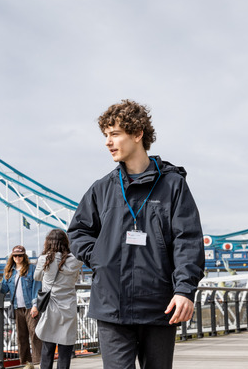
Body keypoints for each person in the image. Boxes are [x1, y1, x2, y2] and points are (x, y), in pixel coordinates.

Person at [67, 100, 205, 369]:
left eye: (115, 134)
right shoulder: (101, 189)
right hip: (111, 306)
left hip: (160, 306)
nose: (108, 142)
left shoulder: (173, 186)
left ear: (138, 133)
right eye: (105, 136)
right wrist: (100, 257)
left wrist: (185, 290)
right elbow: (77, 232)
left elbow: (187, 240)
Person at [34, 229, 83, 369]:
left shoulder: (44, 259)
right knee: (65, 352)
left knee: (47, 350)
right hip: (68, 309)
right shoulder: (75, 260)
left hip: (50, 308)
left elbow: (36, 277)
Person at [0, 245, 42, 369]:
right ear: (12, 257)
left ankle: (38, 362)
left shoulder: (32, 269)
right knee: (21, 336)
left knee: (35, 334)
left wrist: (35, 305)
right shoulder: (9, 271)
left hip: (30, 307)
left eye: (20, 255)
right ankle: (25, 364)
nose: (17, 257)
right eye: (15, 255)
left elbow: (37, 288)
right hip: (17, 308)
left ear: (24, 256)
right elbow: (4, 290)